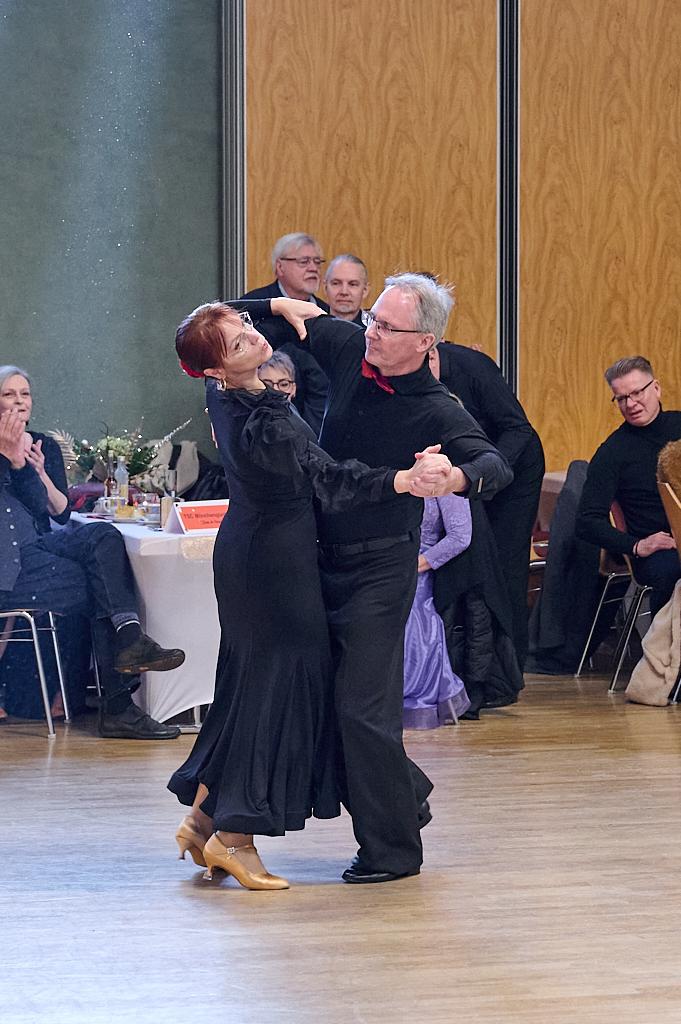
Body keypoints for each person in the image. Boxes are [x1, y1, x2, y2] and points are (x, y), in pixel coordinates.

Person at [234, 275, 513, 884]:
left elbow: (495, 461)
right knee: (329, 702)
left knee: (362, 709)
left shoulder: (437, 407)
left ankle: (394, 852)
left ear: (426, 342)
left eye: (388, 327)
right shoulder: (345, 346)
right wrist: (276, 304)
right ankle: (406, 794)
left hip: (383, 568)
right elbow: (224, 322)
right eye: (373, 320)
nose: (373, 333)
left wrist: (455, 479)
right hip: (318, 557)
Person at [168, 303, 451, 891]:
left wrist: (273, 305)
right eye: (238, 340)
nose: (253, 336)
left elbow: (218, 325)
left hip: (255, 551)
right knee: (277, 692)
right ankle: (235, 839)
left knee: (257, 685)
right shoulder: (265, 420)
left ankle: (206, 817)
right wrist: (399, 480)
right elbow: (332, 480)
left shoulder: (229, 396)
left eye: (248, 328)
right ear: (217, 369)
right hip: (276, 563)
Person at [0, 364, 186, 739]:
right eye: (8, 394)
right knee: (102, 582)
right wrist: (12, 460)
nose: (18, 402)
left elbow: (55, 511)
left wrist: (33, 469)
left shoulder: (42, 445)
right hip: (11, 560)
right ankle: (119, 707)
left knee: (102, 536)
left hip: (39, 544)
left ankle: (129, 635)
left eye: (25, 394)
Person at [429, 337, 545, 671]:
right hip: (465, 475)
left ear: (431, 349)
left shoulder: (474, 368)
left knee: (506, 563)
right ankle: (469, 662)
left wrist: (484, 474)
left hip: (514, 469)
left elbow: (518, 429)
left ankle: (510, 666)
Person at [576, 356, 681, 619]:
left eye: (636, 393)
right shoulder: (612, 452)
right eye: (621, 398)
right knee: (673, 571)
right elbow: (587, 521)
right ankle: (667, 655)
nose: (630, 404)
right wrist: (637, 545)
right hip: (659, 551)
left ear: (655, 388)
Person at [242, 232, 330, 434]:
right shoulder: (256, 305)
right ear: (280, 266)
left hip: (316, 423)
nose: (313, 268)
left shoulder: (325, 311)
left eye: (317, 262)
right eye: (304, 261)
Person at [403, 493, 472, 728]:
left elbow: (460, 537)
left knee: (416, 624)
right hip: (378, 567)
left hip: (419, 569)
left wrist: (414, 567)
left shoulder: (444, 473)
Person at [324, 253, 371, 327]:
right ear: (325, 288)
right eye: (336, 283)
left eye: (352, 284)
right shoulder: (309, 329)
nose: (344, 292)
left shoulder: (374, 332)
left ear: (365, 290)